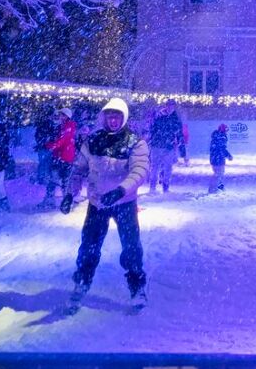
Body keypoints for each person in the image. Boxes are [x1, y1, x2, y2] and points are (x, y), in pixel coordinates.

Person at [70, 97, 151, 310]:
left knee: (131, 246)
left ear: (124, 118)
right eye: (110, 116)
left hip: (123, 202)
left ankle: (137, 287)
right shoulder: (93, 140)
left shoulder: (135, 142)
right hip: (97, 204)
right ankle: (82, 281)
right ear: (104, 117)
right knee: (89, 245)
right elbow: (78, 169)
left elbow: (140, 171)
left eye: (117, 117)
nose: (113, 120)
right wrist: (70, 193)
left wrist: (120, 190)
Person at [39, 107, 77, 213]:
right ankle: (55, 200)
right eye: (60, 115)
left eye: (62, 115)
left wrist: (48, 145)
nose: (60, 116)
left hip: (64, 157)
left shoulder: (68, 127)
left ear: (67, 116)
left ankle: (63, 201)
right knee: (60, 179)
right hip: (61, 156)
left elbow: (60, 141)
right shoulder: (64, 126)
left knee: (60, 180)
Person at [149, 99, 184, 193]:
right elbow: (152, 129)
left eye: (172, 105)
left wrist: (181, 146)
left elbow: (179, 133)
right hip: (156, 145)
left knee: (167, 167)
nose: (170, 107)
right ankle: (152, 187)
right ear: (166, 105)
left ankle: (166, 187)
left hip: (168, 146)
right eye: (168, 105)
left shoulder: (175, 118)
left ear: (174, 107)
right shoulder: (159, 116)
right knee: (155, 167)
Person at [208, 124, 232, 192]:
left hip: (214, 158)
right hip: (219, 158)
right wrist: (228, 155)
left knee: (218, 173)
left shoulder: (215, 137)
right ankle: (214, 188)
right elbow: (222, 148)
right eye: (226, 130)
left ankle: (219, 187)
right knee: (219, 173)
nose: (227, 132)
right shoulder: (222, 138)